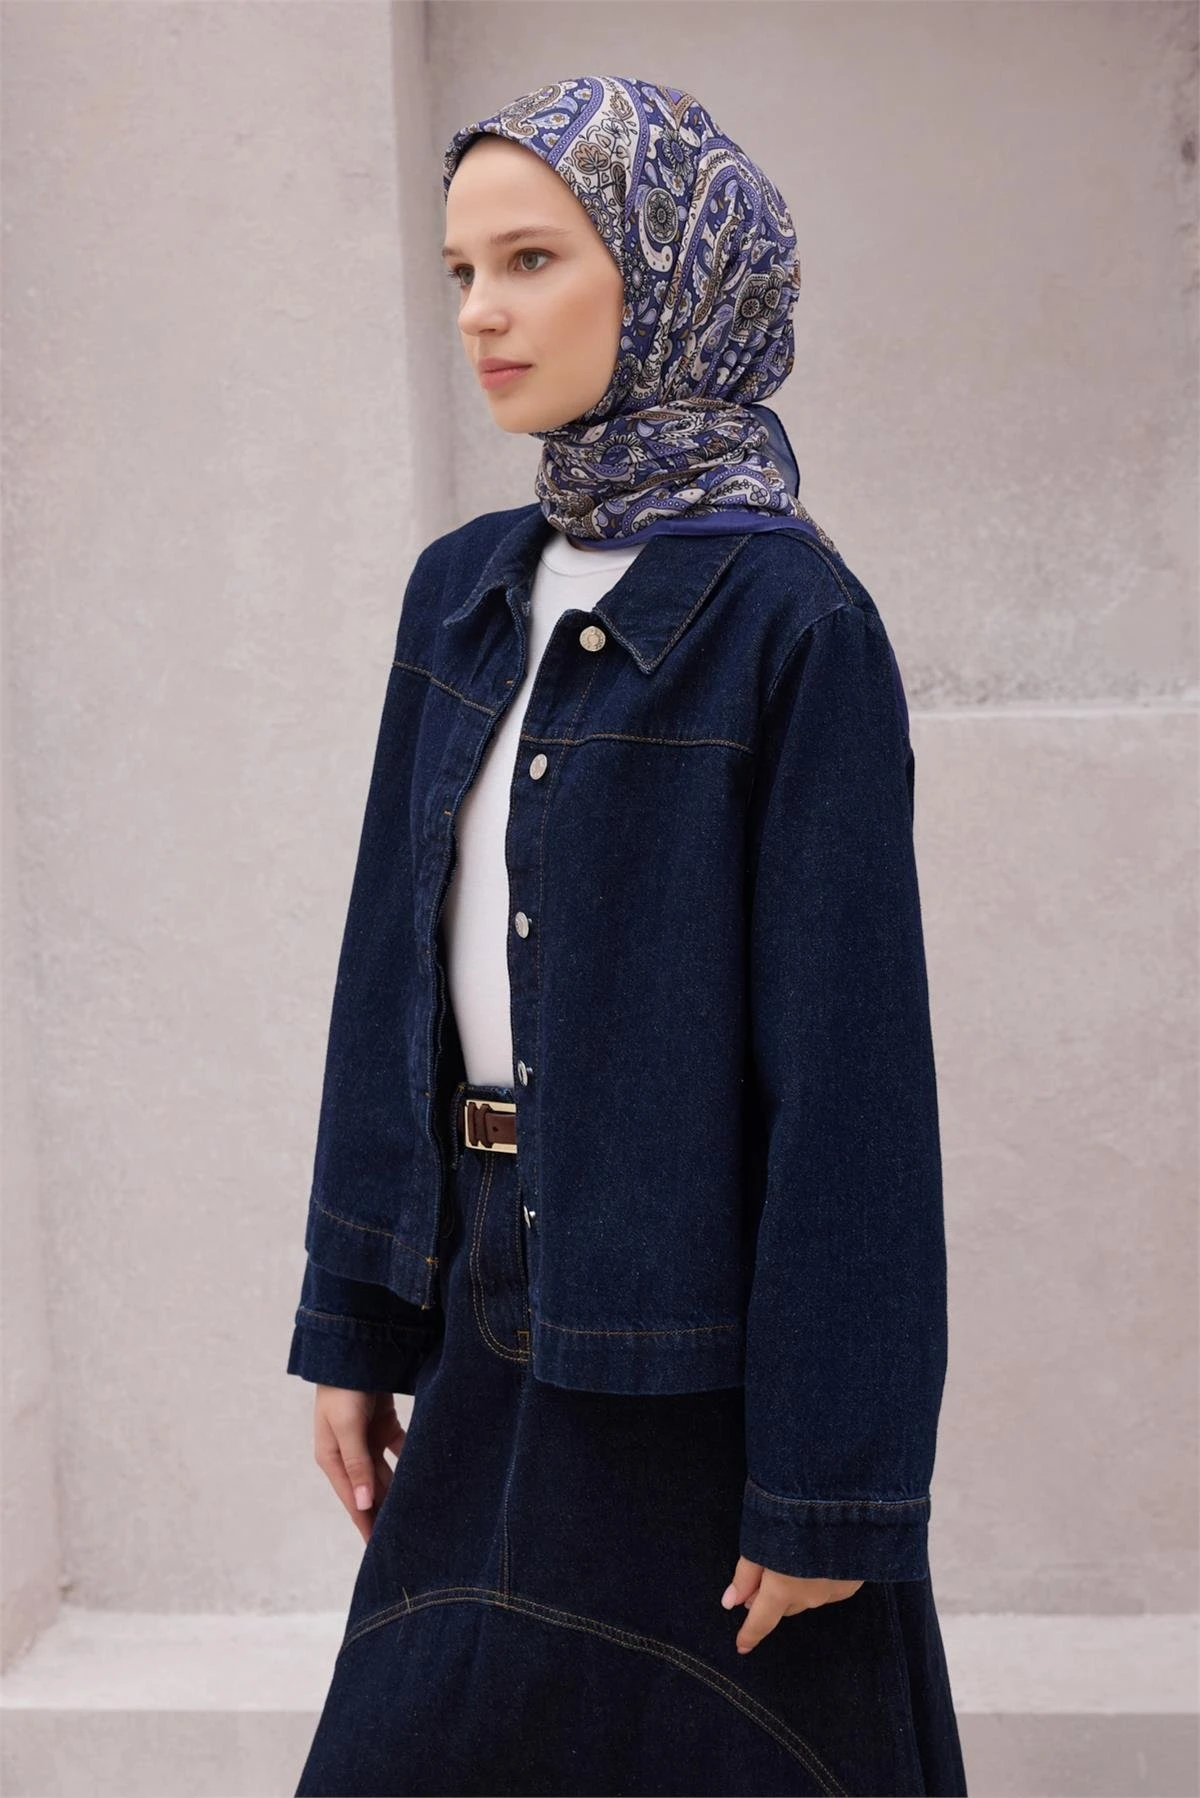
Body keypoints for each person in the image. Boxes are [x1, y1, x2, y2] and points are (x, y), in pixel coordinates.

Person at [287, 75, 968, 1797]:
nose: (480, 312)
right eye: (461, 271)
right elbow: (386, 985)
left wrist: (830, 1485)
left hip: (697, 1356)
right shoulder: (463, 589)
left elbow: (853, 1087)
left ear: (670, 276)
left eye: (532, 259)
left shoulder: (793, 621)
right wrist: (353, 1325)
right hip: (479, 1303)